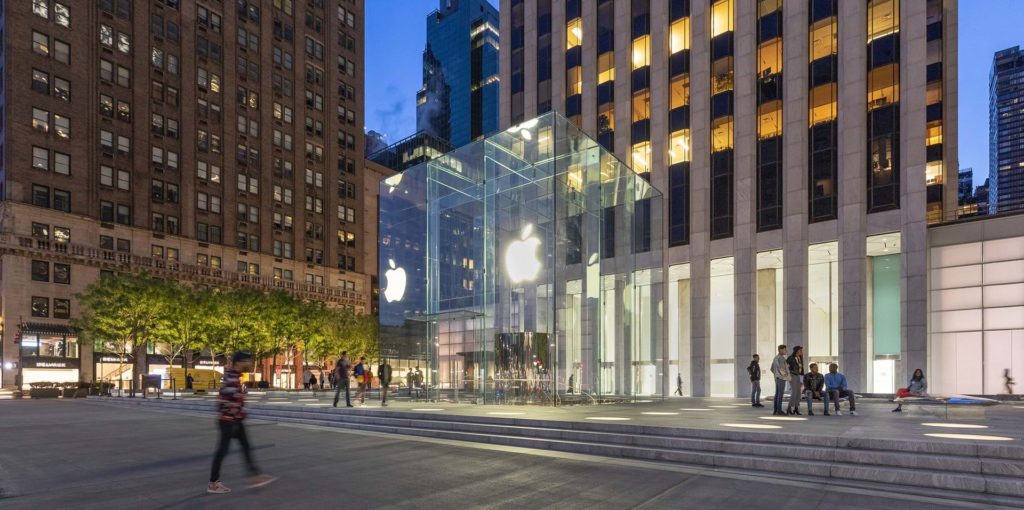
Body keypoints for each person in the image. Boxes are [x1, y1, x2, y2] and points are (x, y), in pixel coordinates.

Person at [207, 351, 275, 494]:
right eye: (247, 361)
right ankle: (213, 483)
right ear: (239, 363)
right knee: (223, 451)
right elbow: (226, 400)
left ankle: (256, 475)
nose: (250, 364)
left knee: (245, 447)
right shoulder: (231, 378)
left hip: (233, 420)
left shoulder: (235, 377)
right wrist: (238, 412)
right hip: (229, 421)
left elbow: (231, 399)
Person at [770, 345, 790, 416]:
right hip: (781, 378)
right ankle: (779, 410)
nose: (786, 351)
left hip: (777, 378)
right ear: (780, 350)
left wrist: (776, 374)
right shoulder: (781, 358)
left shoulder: (775, 358)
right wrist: (784, 376)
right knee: (780, 394)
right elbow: (782, 369)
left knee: (777, 394)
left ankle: (775, 410)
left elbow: (772, 368)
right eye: (785, 349)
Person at [786, 346, 805, 415]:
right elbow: (786, 367)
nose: (802, 352)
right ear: (796, 351)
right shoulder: (791, 358)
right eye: (800, 350)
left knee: (799, 392)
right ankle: (789, 408)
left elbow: (801, 369)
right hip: (792, 375)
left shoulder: (800, 358)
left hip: (798, 376)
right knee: (794, 392)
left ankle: (796, 408)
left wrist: (802, 379)